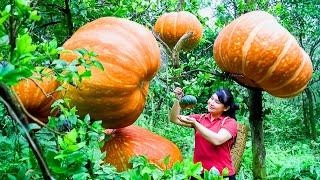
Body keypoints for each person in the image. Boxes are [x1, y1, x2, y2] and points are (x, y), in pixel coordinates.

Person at [169, 87, 239, 180]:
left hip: (221, 174)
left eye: (217, 102)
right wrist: (178, 100)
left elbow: (217, 140)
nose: (211, 103)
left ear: (226, 108)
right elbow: (174, 119)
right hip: (198, 173)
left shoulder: (230, 122)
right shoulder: (200, 118)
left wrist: (195, 124)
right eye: (211, 98)